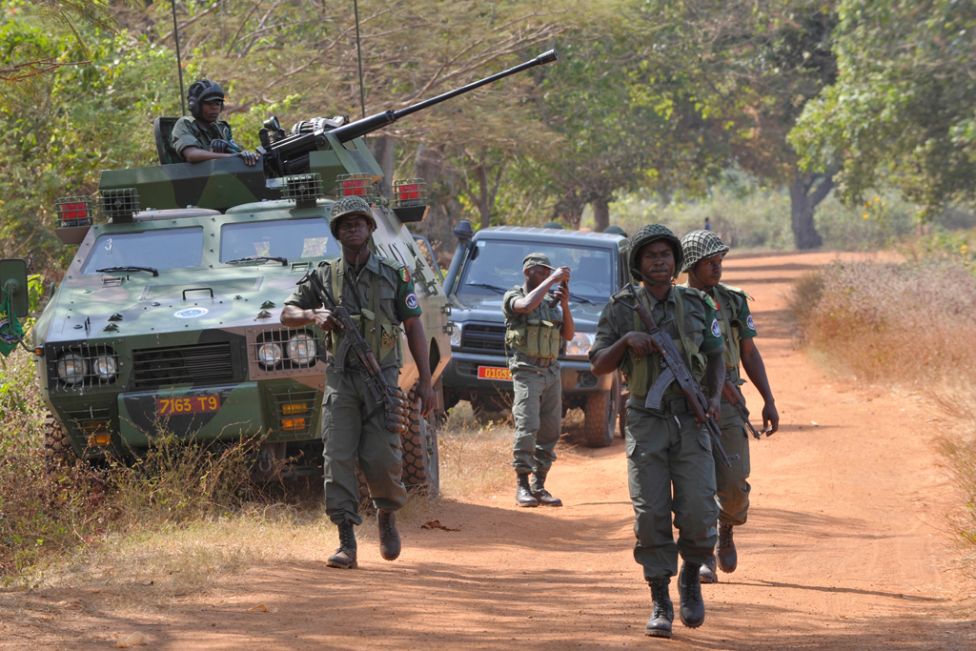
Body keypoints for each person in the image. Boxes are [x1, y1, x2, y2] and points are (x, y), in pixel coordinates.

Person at [280, 195, 434, 569]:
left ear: (369, 228)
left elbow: (413, 325)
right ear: (337, 233)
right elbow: (286, 312)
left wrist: (426, 382)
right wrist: (314, 315)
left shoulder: (394, 274)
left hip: (381, 378)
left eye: (359, 223)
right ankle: (346, 540)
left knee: (382, 458)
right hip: (342, 380)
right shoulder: (323, 275)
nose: (353, 228)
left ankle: (386, 515)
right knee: (337, 459)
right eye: (345, 224)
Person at [589, 224, 725, 639]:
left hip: (692, 417)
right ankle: (660, 597)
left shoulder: (697, 304)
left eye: (666, 255)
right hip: (647, 420)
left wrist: (715, 398)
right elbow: (598, 364)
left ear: (676, 260)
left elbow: (716, 357)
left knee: (700, 510)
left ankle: (690, 576)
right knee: (650, 513)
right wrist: (627, 340)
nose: (660, 262)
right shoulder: (621, 308)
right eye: (651, 256)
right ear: (638, 263)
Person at [679, 229, 779, 583]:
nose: (717, 268)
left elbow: (749, 352)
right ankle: (703, 552)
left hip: (729, 401)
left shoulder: (733, 301)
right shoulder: (673, 302)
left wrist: (768, 398)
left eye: (720, 261)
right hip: (686, 402)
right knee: (696, 484)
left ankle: (727, 529)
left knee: (734, 483)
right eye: (710, 262)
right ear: (691, 265)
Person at [502, 253, 575, 507]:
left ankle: (539, 485)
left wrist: (564, 305)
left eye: (548, 272)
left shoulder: (549, 303)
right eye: (541, 271)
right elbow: (524, 307)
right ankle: (522, 484)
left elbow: (568, 333)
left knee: (551, 429)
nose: (546, 276)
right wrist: (552, 281)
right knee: (527, 426)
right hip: (526, 371)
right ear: (527, 272)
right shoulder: (515, 295)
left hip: (551, 373)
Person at [171, 79, 259, 166]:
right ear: (195, 105)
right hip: (195, 177)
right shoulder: (185, 124)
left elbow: (236, 151)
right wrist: (231, 156)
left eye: (218, 104)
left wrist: (245, 155)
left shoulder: (221, 128)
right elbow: (192, 154)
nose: (215, 108)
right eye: (209, 103)